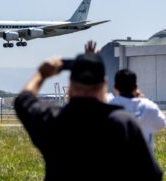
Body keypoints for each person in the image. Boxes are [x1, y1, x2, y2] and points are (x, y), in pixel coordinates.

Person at [14, 44, 162, 180]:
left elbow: (23, 100)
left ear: (70, 84)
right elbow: (152, 174)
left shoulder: (53, 120)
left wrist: (41, 74)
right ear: (105, 84)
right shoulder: (123, 122)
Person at [109, 69, 166, 152]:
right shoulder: (148, 106)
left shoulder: (108, 106)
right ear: (136, 87)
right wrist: (142, 98)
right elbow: (161, 123)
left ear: (115, 87)